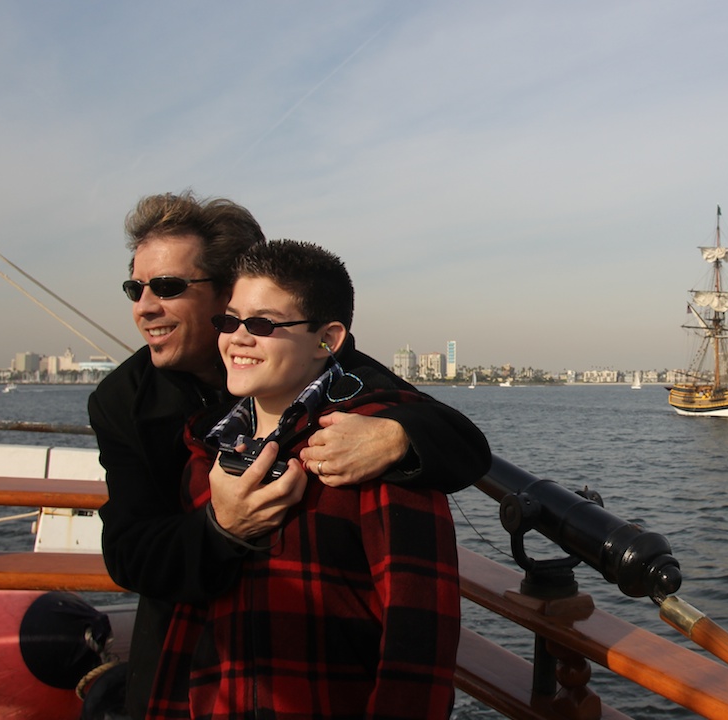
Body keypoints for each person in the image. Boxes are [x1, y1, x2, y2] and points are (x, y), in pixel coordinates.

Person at [87, 192, 490, 719]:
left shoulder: (325, 374)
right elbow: (130, 552)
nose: (143, 306)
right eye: (135, 288)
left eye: (167, 287)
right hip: (188, 657)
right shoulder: (129, 404)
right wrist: (221, 527)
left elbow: (450, 435)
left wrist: (395, 438)